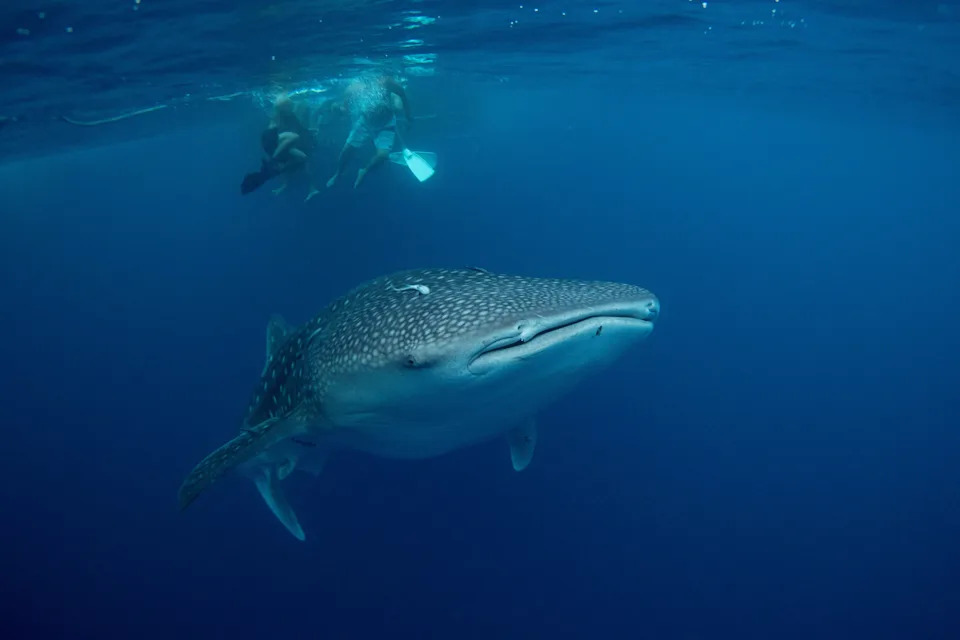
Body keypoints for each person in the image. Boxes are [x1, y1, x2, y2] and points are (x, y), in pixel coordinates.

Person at [326, 75, 412, 190]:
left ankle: (364, 170)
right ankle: (338, 173)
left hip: (386, 123)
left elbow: (402, 94)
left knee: (383, 155)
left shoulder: (386, 82)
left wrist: (408, 116)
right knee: (346, 151)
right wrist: (337, 108)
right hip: (365, 123)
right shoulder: (352, 89)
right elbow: (345, 111)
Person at [241, 94, 320, 201]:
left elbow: (296, 132)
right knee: (296, 158)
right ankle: (280, 175)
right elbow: (294, 136)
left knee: (298, 159)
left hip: (275, 146)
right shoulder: (280, 116)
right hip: (274, 146)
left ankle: (305, 186)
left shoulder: (283, 117)